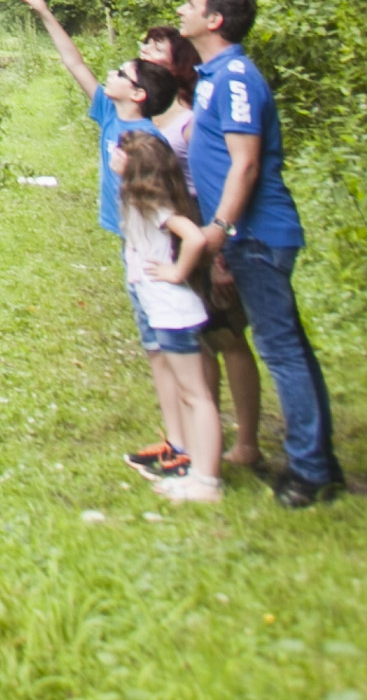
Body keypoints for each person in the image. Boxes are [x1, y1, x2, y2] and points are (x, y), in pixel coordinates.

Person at [14, 0, 214, 476]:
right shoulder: (110, 116)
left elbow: (170, 211)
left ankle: (188, 449)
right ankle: (172, 442)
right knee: (154, 350)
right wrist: (44, 12)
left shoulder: (145, 142)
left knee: (171, 349)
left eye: (121, 73)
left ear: (139, 94)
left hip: (154, 254)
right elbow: (75, 64)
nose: (111, 73)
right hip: (132, 249)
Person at [179, 0, 344, 506]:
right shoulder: (211, 76)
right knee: (289, 346)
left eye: (191, 4)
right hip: (244, 236)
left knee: (281, 351)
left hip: (256, 235)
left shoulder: (234, 79)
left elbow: (245, 165)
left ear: (215, 20)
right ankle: (319, 461)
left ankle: (310, 473)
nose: (182, 10)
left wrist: (220, 231)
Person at [112, 127, 226, 504]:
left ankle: (207, 481)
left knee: (197, 396)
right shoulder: (138, 198)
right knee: (192, 394)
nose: (113, 153)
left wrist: (177, 272)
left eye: (120, 152)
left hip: (172, 309)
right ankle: (197, 472)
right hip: (164, 309)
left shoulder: (154, 205)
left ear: (136, 167)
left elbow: (194, 238)